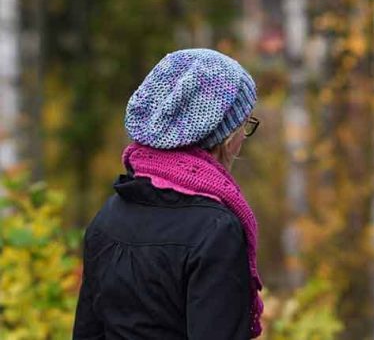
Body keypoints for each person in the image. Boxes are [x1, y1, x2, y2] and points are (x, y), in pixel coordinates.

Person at [72, 48, 264, 339]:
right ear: (224, 136)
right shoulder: (217, 231)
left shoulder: (108, 217)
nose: (242, 140)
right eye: (243, 126)